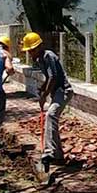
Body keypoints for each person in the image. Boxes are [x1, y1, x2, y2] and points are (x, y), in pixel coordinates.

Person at [21, 32, 73, 172]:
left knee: (50, 115)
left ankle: (49, 152)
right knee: (51, 119)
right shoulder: (40, 60)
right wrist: (43, 87)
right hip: (56, 93)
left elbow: (54, 77)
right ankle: (58, 156)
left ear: (39, 47)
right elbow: (48, 79)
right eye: (29, 51)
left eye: (32, 50)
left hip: (64, 91)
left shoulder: (48, 55)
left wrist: (44, 95)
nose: (30, 53)